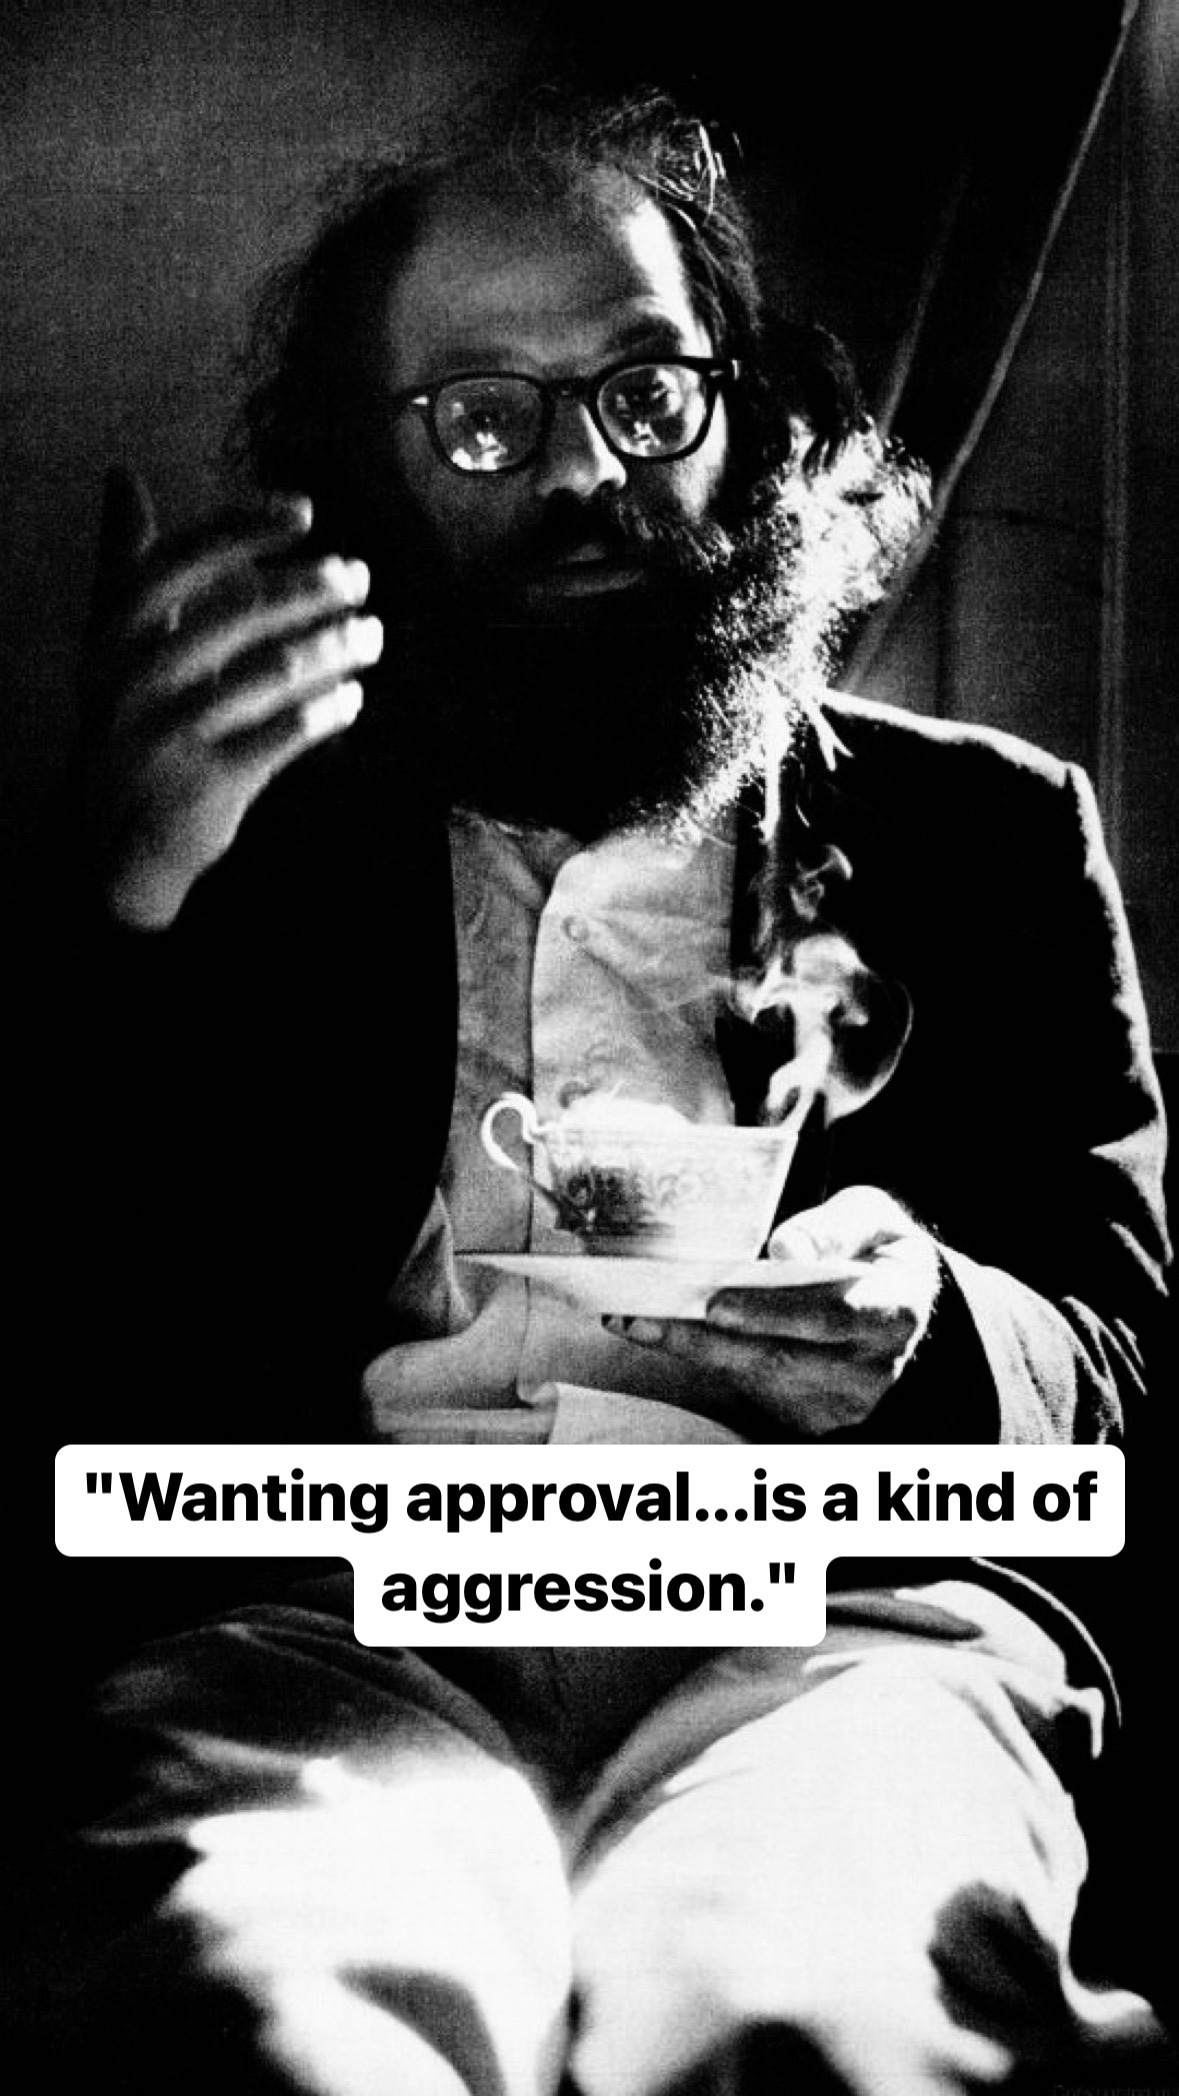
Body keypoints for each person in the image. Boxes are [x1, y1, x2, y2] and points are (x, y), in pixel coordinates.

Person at [11, 82, 1174, 2096]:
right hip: (337, 1633)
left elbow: (1123, 1373)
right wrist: (116, 908)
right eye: (483, 418)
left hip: (837, 1639)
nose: (585, 472)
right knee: (271, 2029)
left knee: (803, 2023)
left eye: (648, 391)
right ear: (364, 476)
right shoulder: (230, 825)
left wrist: (934, 1329)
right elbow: (54, 1333)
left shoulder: (984, 835)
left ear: (748, 417)